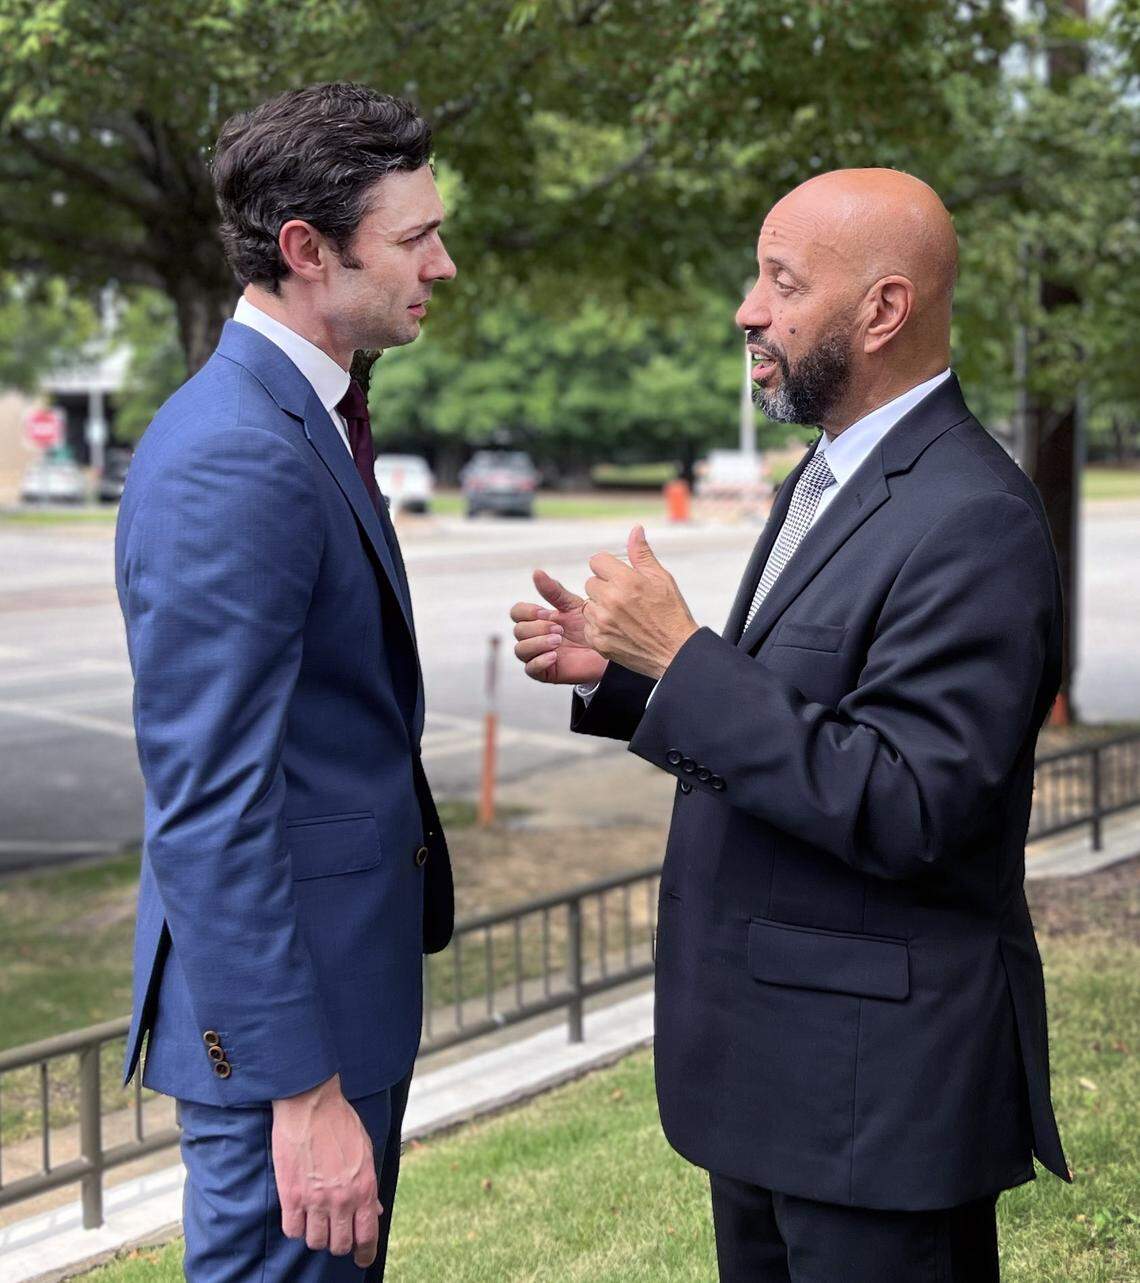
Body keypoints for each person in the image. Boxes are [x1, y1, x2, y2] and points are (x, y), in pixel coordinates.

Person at [510, 168, 1069, 1282]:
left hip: (878, 1102)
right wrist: (631, 680)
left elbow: (908, 802)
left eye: (781, 281)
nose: (747, 310)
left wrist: (682, 655)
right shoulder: (831, 473)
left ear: (883, 311)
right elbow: (809, 715)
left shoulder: (977, 518)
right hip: (781, 1082)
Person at [115, 82, 456, 1281]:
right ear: (308, 251)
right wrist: (299, 1086)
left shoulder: (304, 418)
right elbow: (209, 803)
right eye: (416, 239)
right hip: (288, 1036)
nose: (444, 263)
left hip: (336, 990)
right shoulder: (235, 455)